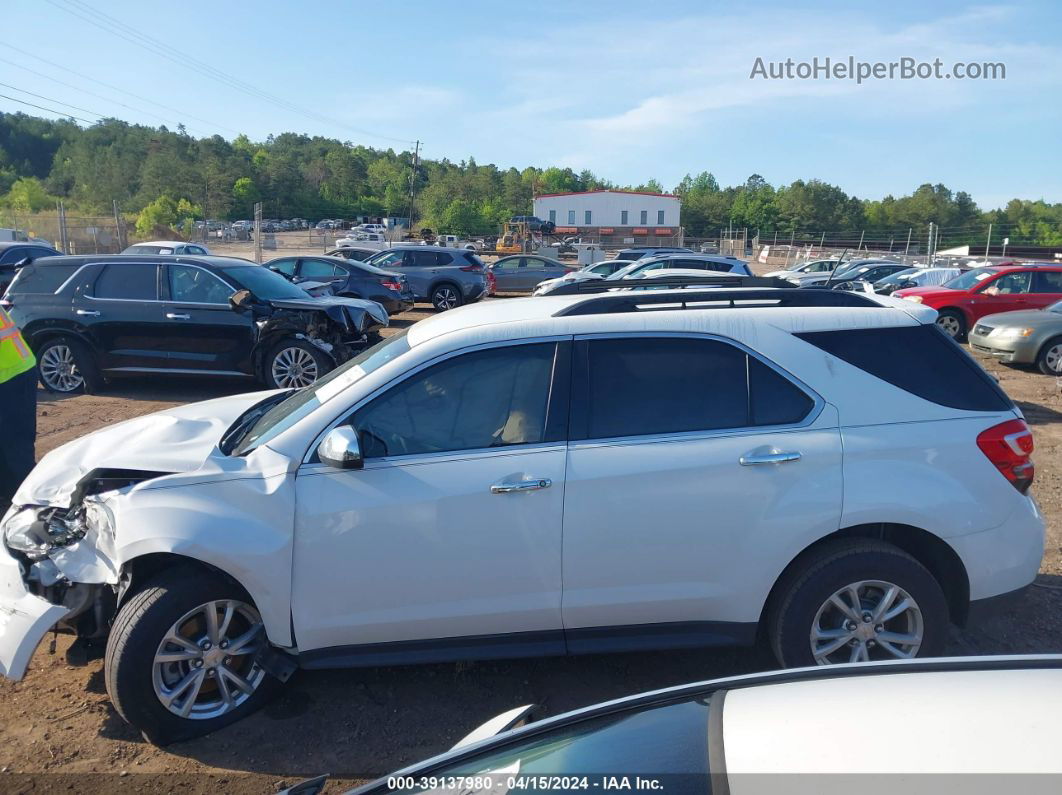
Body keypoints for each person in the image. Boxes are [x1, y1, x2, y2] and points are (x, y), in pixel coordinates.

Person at [0, 306, 37, 508]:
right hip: (10, 372)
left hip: (14, 374)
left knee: (16, 445)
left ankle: (30, 502)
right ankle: (8, 494)